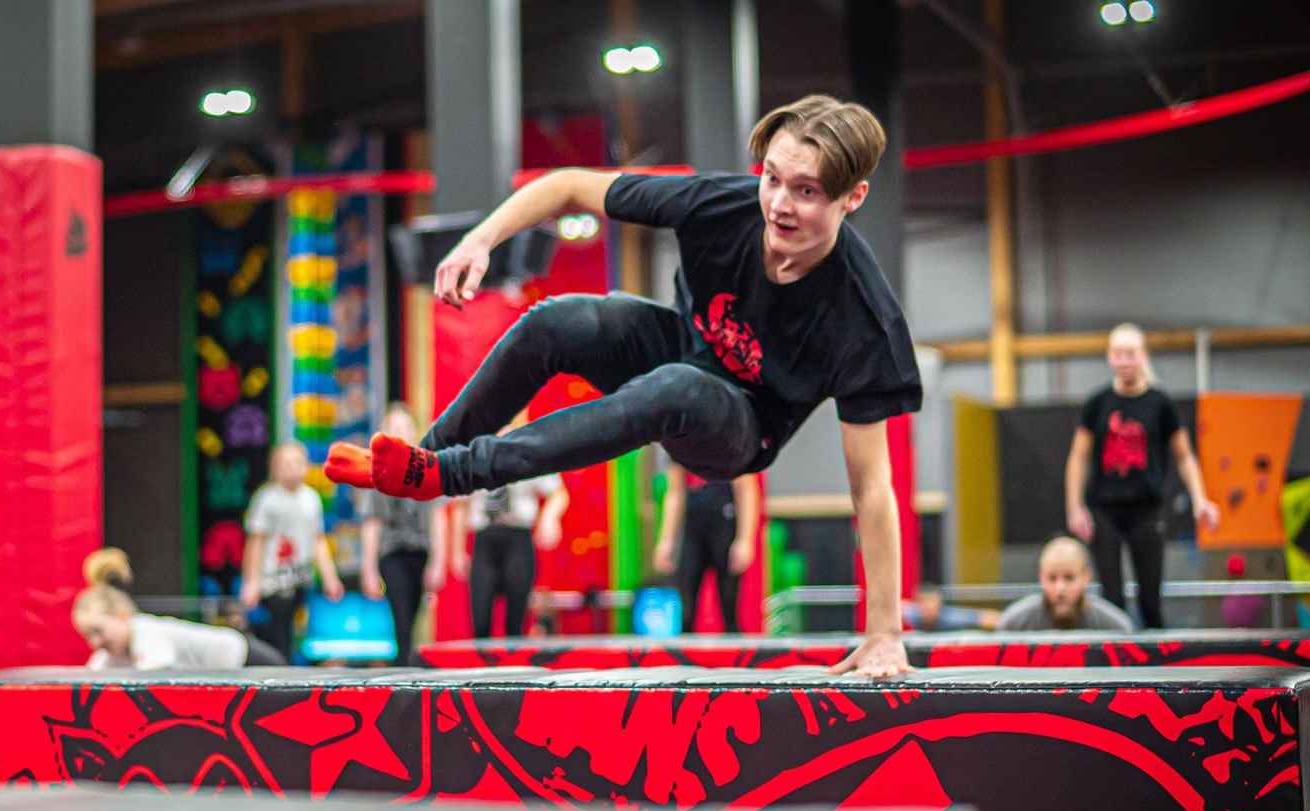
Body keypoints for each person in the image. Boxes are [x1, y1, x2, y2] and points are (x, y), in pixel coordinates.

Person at [326, 95, 919, 676]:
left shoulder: (863, 318)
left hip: (740, 429)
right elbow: (566, 186)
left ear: (853, 197)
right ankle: (426, 460)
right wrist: (480, 239)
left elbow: (872, 487)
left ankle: (456, 471)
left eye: (807, 191)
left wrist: (884, 632)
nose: (779, 206)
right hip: (678, 347)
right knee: (561, 320)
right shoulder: (721, 204)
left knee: (676, 388)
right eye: (772, 179)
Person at [1064, 323, 1220, 628]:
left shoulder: (1160, 403)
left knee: (1150, 598)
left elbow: (1185, 456)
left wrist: (1201, 499)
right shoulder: (1098, 403)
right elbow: (1078, 457)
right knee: (1112, 600)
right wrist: (1074, 507)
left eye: (1130, 353)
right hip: (1104, 508)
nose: (1124, 360)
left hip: (1146, 508)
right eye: (1118, 353)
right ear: (1109, 357)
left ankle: (1153, 668)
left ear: (1142, 356)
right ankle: (1113, 669)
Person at [450, 414, 569, 638]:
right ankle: (482, 668)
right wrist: (456, 551)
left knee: (516, 619)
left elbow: (559, 494)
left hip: (518, 537)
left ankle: (514, 668)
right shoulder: (473, 454)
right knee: (480, 616)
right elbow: (460, 505)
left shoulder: (529, 454)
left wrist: (549, 517)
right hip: (485, 539)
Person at [72, 547, 285, 669]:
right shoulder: (112, 652)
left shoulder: (145, 631)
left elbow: (155, 676)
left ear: (122, 615)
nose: (95, 642)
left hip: (250, 661)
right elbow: (93, 675)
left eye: (98, 631)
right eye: (87, 636)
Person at [359, 403, 449, 665]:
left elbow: (438, 517)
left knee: (416, 613)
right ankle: (403, 666)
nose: (399, 433)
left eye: (405, 427)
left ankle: (409, 663)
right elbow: (372, 524)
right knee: (400, 611)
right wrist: (369, 569)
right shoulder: (375, 472)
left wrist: (438, 562)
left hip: (420, 551)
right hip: (392, 552)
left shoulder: (430, 466)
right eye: (393, 428)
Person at [241, 443, 344, 660]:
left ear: (306, 466)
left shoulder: (311, 498)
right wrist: (251, 582)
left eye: (296, 462)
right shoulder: (267, 499)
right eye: (285, 463)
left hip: (301, 579)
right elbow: (256, 542)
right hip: (273, 582)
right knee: (279, 633)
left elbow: (318, 541)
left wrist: (330, 578)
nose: (291, 468)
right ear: (274, 468)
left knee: (296, 632)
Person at [652, 458, 759, 634]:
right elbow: (674, 492)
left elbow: (746, 490)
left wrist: (745, 540)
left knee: (728, 603)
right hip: (693, 527)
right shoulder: (678, 442)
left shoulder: (728, 440)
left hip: (725, 523)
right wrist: (666, 541)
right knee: (686, 604)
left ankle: (734, 656)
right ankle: (683, 656)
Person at [997, 537, 1134, 632]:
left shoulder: (1117, 629)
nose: (1060, 589)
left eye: (1069, 578)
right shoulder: (1013, 625)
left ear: (1086, 577)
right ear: (1041, 578)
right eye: (1052, 578)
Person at [904, 583, 999, 632]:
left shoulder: (952, 617)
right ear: (918, 604)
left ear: (939, 605)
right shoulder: (909, 614)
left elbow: (987, 617)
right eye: (924, 604)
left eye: (932, 605)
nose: (928, 609)